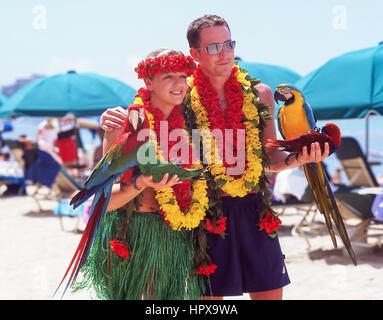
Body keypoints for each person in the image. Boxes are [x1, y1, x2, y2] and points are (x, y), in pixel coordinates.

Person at [100, 15, 330, 300]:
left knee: (271, 294)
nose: (225, 53)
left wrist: (296, 159)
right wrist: (111, 117)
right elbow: (147, 109)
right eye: (213, 47)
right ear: (194, 55)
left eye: (229, 44)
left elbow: (271, 154)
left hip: (254, 208)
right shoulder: (182, 95)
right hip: (206, 213)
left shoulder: (260, 95)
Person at [73, 48, 206, 300]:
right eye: (168, 76)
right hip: (129, 232)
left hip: (174, 235)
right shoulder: (125, 124)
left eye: (183, 76)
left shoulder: (191, 127)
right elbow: (106, 202)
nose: (179, 84)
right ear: (148, 82)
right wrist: (139, 183)